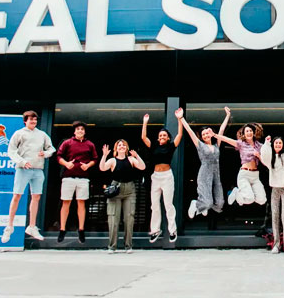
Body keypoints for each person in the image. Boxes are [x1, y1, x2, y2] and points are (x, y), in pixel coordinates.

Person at [2, 110, 55, 243]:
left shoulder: (42, 134)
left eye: (35, 119)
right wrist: (22, 161)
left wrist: (46, 153)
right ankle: (9, 226)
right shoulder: (19, 133)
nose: (33, 121)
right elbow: (11, 151)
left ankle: (32, 226)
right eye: (30, 119)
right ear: (25, 121)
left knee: (36, 196)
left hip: (38, 169)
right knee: (17, 195)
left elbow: (52, 148)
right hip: (23, 169)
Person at [179, 106, 231, 218]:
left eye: (207, 133)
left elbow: (221, 130)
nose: (206, 135)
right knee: (208, 202)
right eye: (203, 135)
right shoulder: (200, 145)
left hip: (216, 175)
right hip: (204, 174)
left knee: (220, 204)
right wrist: (181, 118)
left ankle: (204, 206)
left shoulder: (216, 145)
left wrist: (227, 116)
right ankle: (197, 204)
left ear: (211, 133)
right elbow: (190, 132)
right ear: (202, 137)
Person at [141, 108, 184, 243]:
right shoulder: (154, 146)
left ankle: (172, 230)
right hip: (155, 176)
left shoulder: (171, 146)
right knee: (154, 204)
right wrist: (145, 122)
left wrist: (179, 119)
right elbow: (143, 137)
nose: (162, 137)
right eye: (160, 136)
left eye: (164, 136)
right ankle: (155, 230)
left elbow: (179, 135)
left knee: (168, 204)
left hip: (167, 176)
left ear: (168, 137)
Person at [99, 139, 145, 253]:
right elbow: (102, 167)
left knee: (129, 218)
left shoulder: (131, 159)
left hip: (130, 190)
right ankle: (112, 246)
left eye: (124, 145)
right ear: (116, 148)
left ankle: (128, 246)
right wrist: (104, 155)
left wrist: (137, 155)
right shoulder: (112, 160)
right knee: (113, 219)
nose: (121, 146)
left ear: (127, 148)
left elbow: (142, 167)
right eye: (119, 145)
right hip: (116, 190)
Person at [56, 120, 97, 244]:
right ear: (74, 131)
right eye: (78, 129)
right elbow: (59, 156)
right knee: (66, 202)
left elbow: (95, 159)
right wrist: (66, 164)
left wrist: (88, 165)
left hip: (83, 178)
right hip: (68, 177)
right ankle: (62, 229)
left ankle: (81, 229)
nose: (80, 131)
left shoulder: (90, 144)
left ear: (84, 132)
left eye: (82, 129)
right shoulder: (67, 142)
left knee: (81, 203)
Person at [260, 135, 284, 254]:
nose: (278, 145)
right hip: (275, 189)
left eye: (280, 143)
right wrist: (267, 143)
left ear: (283, 145)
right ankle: (276, 244)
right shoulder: (271, 156)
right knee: (275, 216)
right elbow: (264, 155)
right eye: (276, 143)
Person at [213, 122, 267, 207]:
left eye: (250, 131)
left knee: (262, 200)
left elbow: (265, 162)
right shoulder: (241, 144)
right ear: (244, 134)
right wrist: (214, 135)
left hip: (255, 176)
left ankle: (242, 197)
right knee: (249, 199)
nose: (249, 132)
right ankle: (236, 192)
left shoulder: (259, 146)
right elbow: (226, 139)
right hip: (244, 175)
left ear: (253, 132)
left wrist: (258, 155)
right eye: (247, 131)